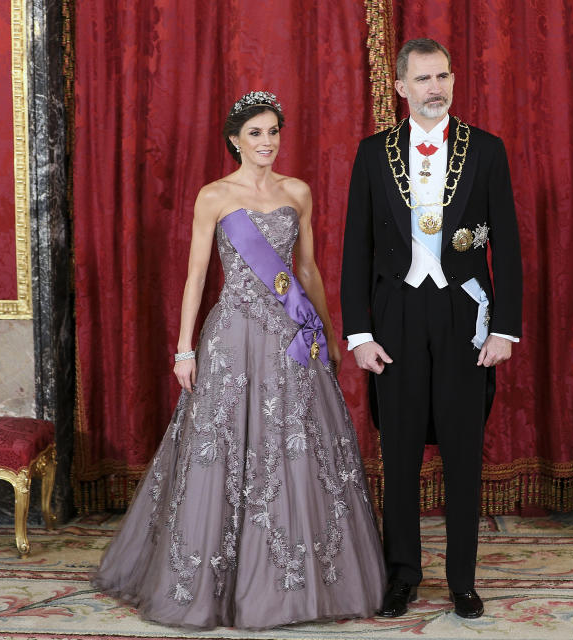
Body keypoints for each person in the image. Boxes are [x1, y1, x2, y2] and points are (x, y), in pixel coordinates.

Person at [93, 90, 386, 630]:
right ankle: (216, 586)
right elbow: (196, 277)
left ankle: (298, 583)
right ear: (234, 140)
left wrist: (325, 333)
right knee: (221, 453)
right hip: (231, 339)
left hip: (291, 340)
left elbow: (309, 271)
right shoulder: (214, 196)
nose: (266, 142)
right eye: (255, 133)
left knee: (295, 453)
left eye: (273, 132)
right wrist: (184, 349)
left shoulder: (298, 191)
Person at [340, 38, 523, 619]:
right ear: (400, 86)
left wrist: (506, 330)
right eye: (422, 79)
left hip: (463, 314)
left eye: (443, 75)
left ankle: (463, 579)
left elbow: (510, 250)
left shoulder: (487, 151)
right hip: (395, 315)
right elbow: (355, 251)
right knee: (398, 455)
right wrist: (358, 334)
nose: (435, 88)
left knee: (464, 453)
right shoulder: (373, 154)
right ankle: (403, 577)